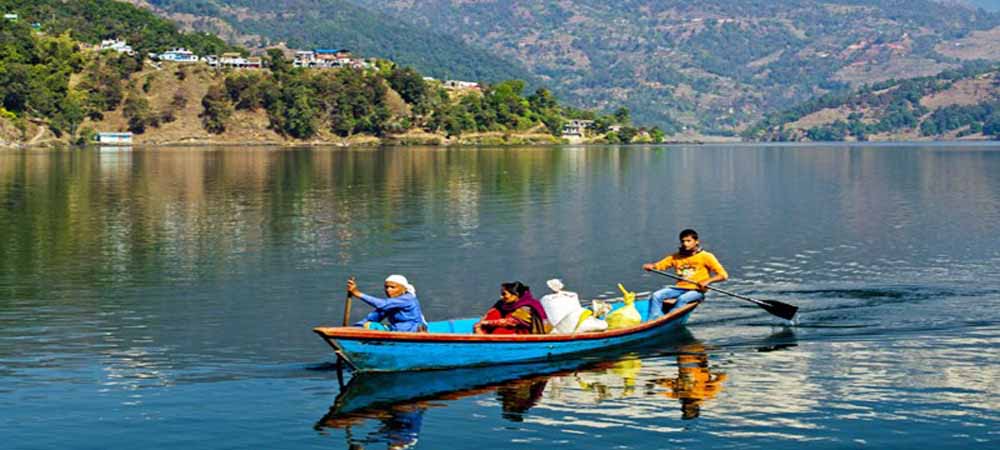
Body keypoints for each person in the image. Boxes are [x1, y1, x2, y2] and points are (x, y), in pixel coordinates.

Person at [641, 229, 728, 321]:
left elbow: (723, 275)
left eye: (688, 241)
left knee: (682, 299)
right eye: (683, 241)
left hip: (697, 290)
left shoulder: (706, 256)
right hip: (679, 288)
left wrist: (707, 281)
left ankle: (669, 320)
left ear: (696, 241)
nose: (685, 244)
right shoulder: (676, 256)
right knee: (656, 295)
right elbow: (660, 265)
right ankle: (653, 320)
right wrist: (651, 266)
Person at [346, 275, 427, 332]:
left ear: (404, 289)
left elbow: (383, 304)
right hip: (397, 330)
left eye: (393, 287)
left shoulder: (408, 299)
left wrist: (357, 293)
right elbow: (373, 317)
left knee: (371, 326)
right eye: (386, 287)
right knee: (369, 324)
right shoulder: (389, 305)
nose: (388, 290)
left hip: (414, 330)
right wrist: (354, 328)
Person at [473, 281, 552, 335]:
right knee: (495, 312)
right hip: (501, 328)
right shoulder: (502, 303)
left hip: (523, 332)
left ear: (516, 294)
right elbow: (490, 313)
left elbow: (512, 322)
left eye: (504, 294)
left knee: (501, 330)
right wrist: (480, 324)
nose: (501, 297)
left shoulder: (528, 306)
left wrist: (486, 323)